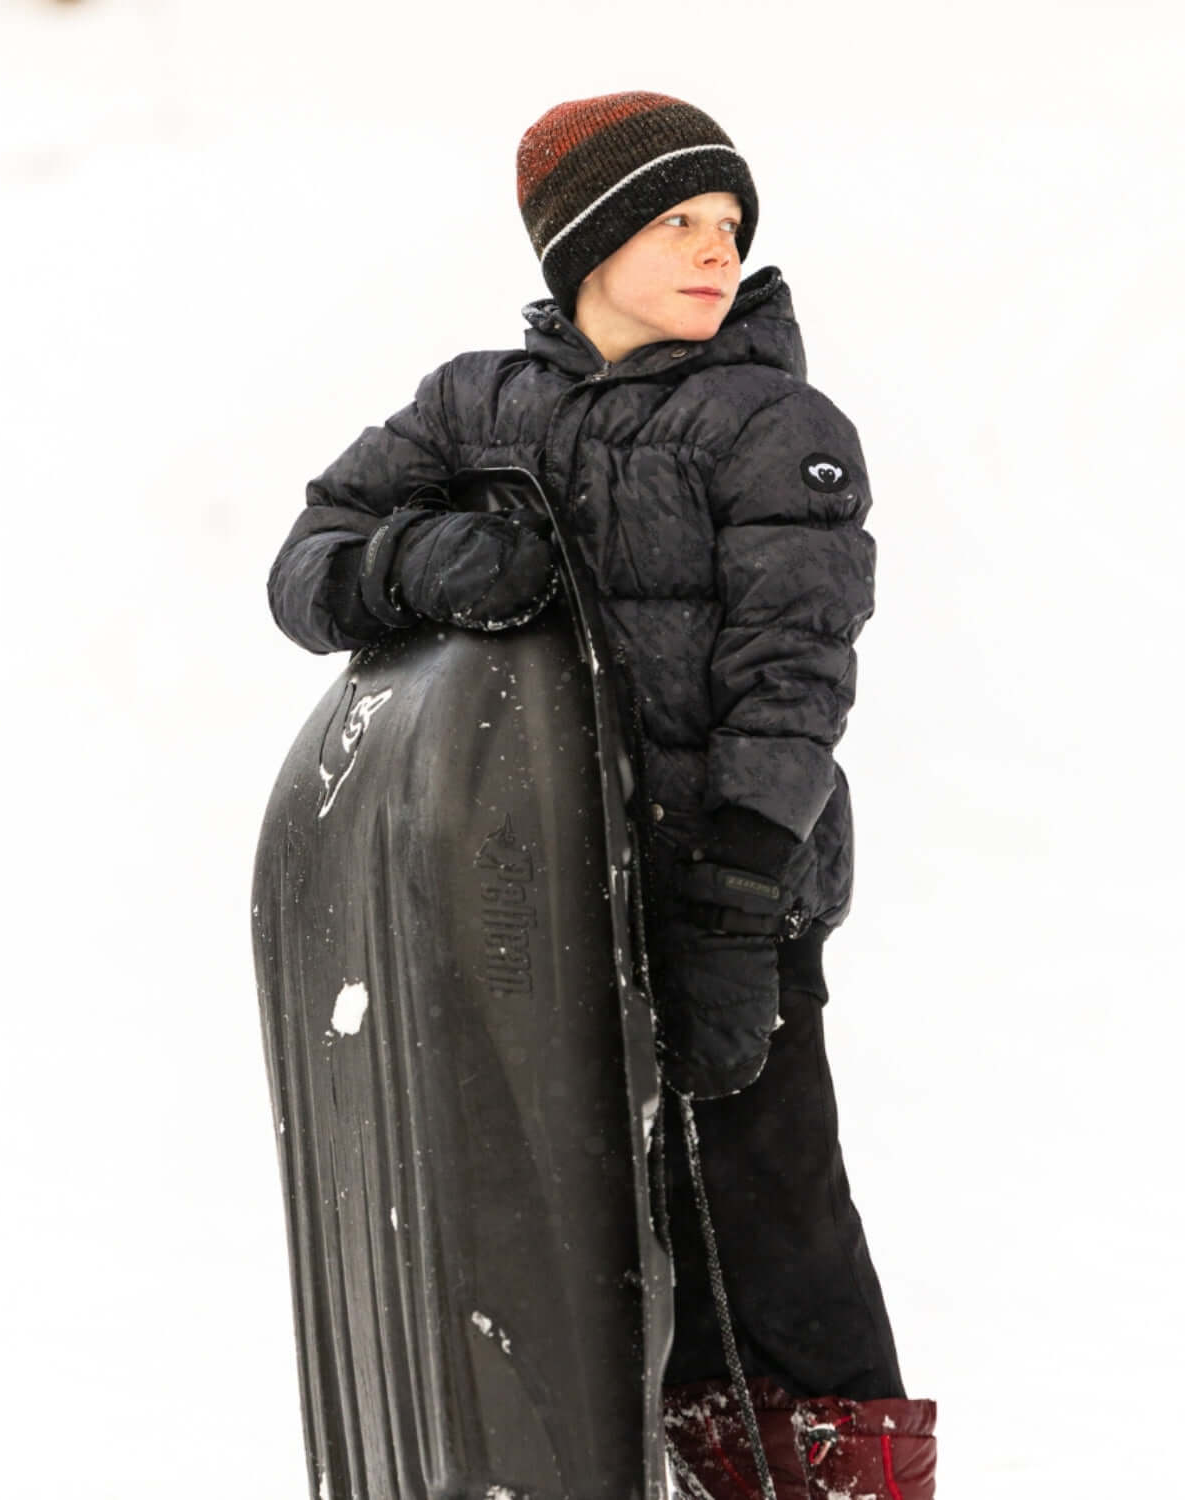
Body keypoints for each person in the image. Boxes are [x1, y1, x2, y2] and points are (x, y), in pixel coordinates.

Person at [267, 91, 937, 1499]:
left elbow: (794, 681)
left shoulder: (774, 423)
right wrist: (423, 564)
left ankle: (840, 1475)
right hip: (536, 921)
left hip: (729, 904)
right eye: (677, 219)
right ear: (585, 240)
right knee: (605, 1243)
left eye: (728, 224)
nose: (714, 250)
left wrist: (741, 904)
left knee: (773, 1227)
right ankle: (664, 1469)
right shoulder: (475, 408)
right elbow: (308, 564)